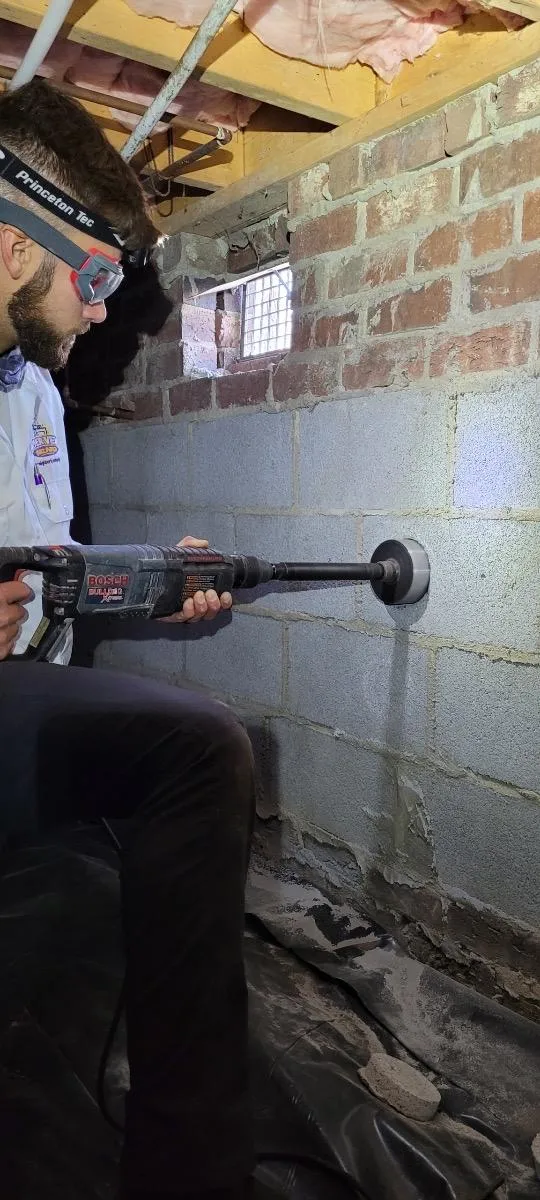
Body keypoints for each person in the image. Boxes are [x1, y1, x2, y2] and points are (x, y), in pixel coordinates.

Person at [0, 78, 282, 1200]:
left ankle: (189, 1168)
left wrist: (142, 593)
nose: (101, 313)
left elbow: (43, 578)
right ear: (12, 249)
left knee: (200, 748)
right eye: (95, 280)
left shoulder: (32, 388)